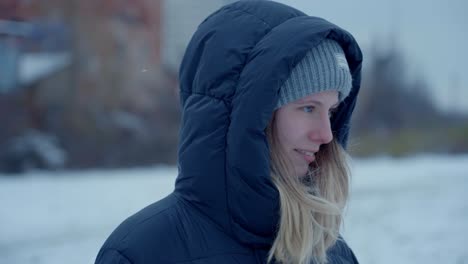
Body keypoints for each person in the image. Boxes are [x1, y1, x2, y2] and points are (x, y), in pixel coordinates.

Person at [95, 1, 363, 263]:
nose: (326, 134)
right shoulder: (143, 253)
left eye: (330, 112)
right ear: (248, 115)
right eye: (307, 108)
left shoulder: (330, 253)